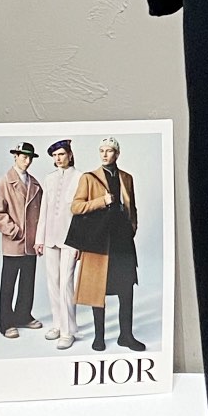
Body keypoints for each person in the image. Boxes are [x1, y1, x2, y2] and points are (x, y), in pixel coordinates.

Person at [70, 137, 145, 352]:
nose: (104, 154)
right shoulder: (88, 178)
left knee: (126, 288)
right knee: (98, 288)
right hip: (98, 240)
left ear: (117, 154)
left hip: (122, 240)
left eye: (109, 150)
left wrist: (131, 228)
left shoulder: (127, 177)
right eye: (101, 150)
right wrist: (102, 201)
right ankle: (99, 337)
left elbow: (132, 207)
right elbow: (76, 207)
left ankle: (126, 336)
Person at [0, 141, 43, 339]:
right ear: (15, 157)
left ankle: (23, 315)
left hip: (31, 243)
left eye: (30, 158)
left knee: (28, 282)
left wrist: (39, 237)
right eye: (23, 157)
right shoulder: (4, 182)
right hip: (14, 242)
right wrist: (14, 230)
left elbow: (41, 214)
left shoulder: (35, 184)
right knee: (8, 284)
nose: (27, 161)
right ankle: (6, 323)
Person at [35, 138, 81, 349]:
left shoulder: (81, 178)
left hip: (71, 239)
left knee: (66, 284)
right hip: (50, 237)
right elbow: (44, 210)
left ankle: (68, 331)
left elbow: (82, 216)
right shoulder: (49, 179)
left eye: (61, 154)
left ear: (70, 154)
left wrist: (80, 243)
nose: (58, 159)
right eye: (55, 156)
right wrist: (39, 239)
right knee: (52, 282)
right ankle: (57, 324)